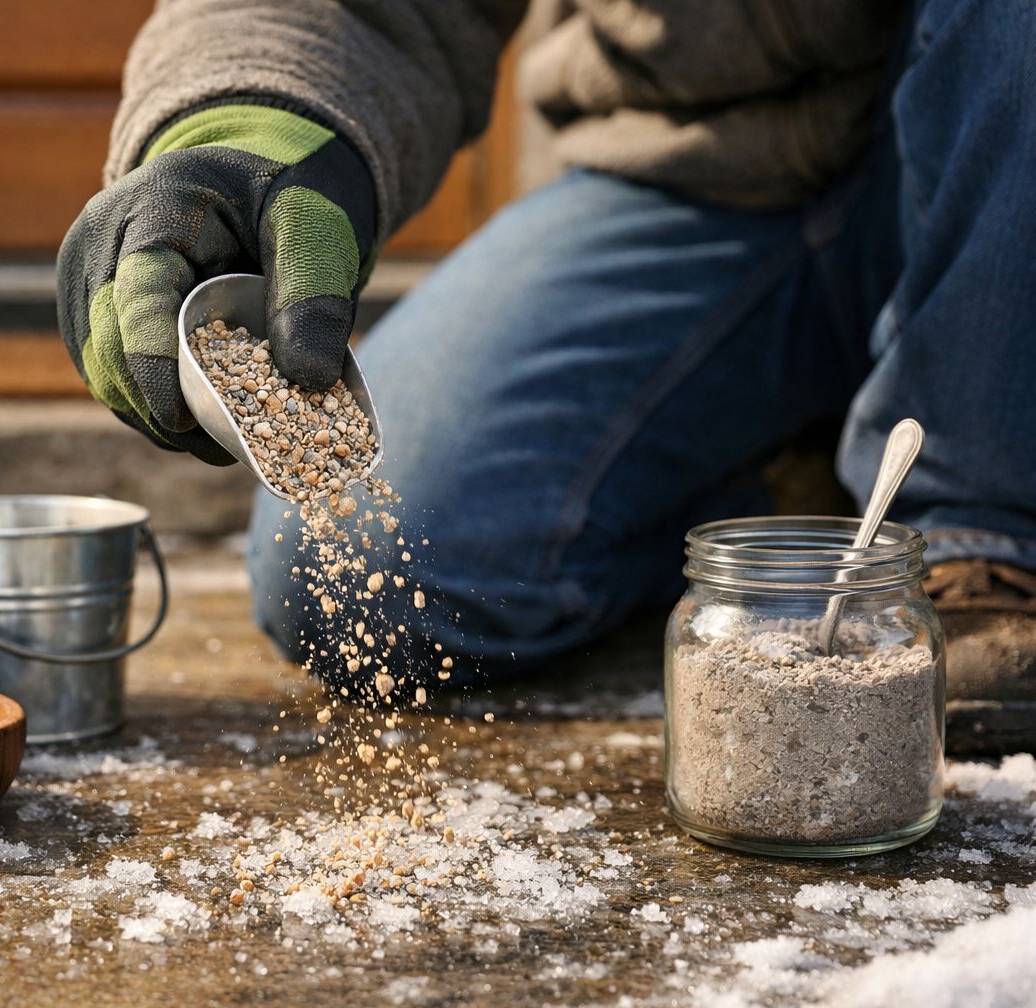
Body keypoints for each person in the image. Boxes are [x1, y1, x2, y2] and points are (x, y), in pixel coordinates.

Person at [56, 0, 1035, 752]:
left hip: (1010, 154)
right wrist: (245, 128)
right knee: (352, 569)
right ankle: (783, 485)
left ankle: (984, 525)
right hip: (716, 163)